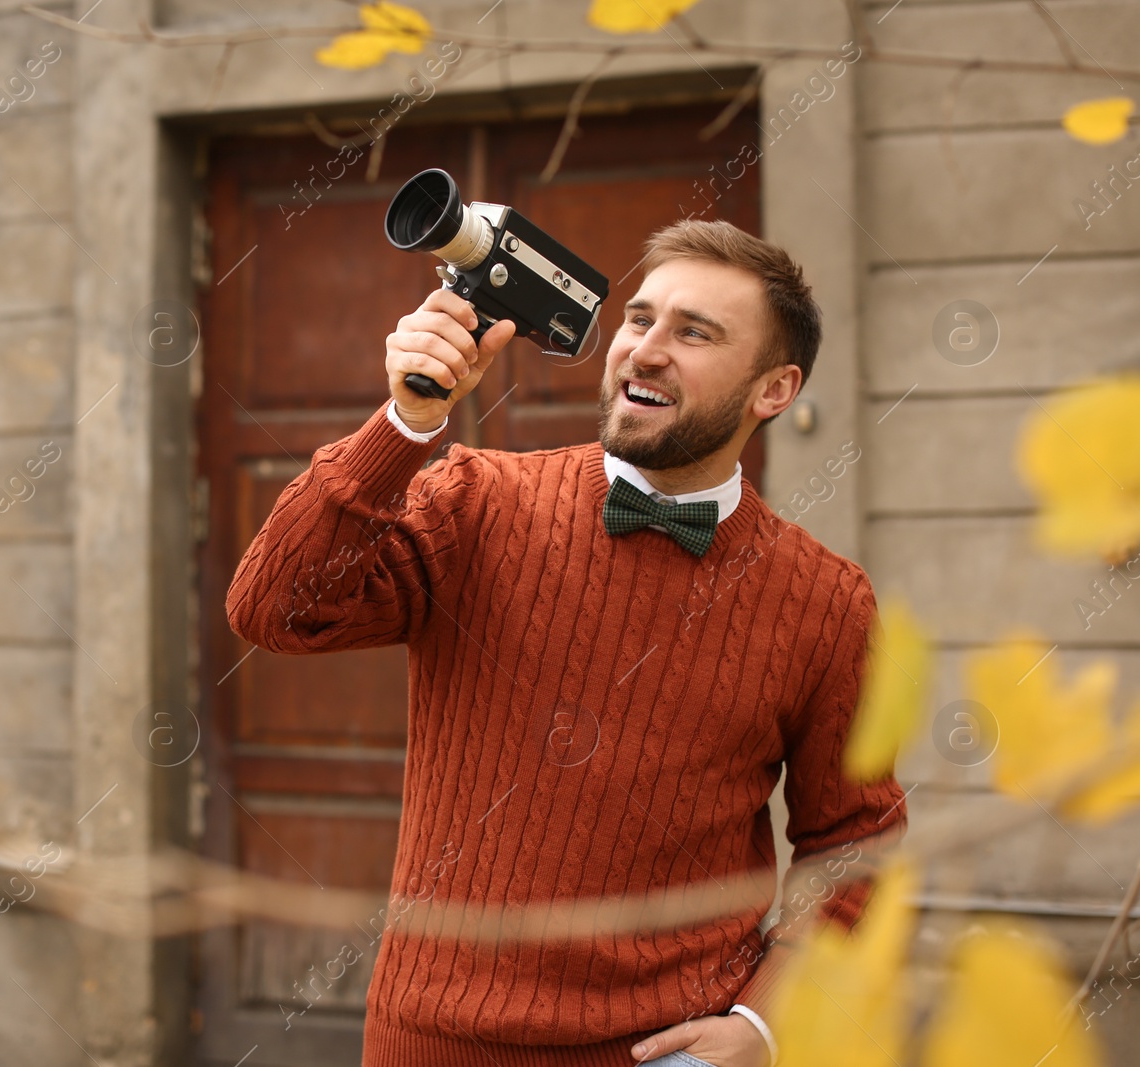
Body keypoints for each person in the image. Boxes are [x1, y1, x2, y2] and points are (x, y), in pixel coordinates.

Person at [224, 219, 907, 1067]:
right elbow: (273, 609)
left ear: (775, 389)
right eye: (640, 320)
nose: (646, 350)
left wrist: (766, 1024)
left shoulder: (826, 599)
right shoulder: (473, 500)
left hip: (673, 1052)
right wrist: (403, 424)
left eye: (694, 333)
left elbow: (855, 841)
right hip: (434, 1044)